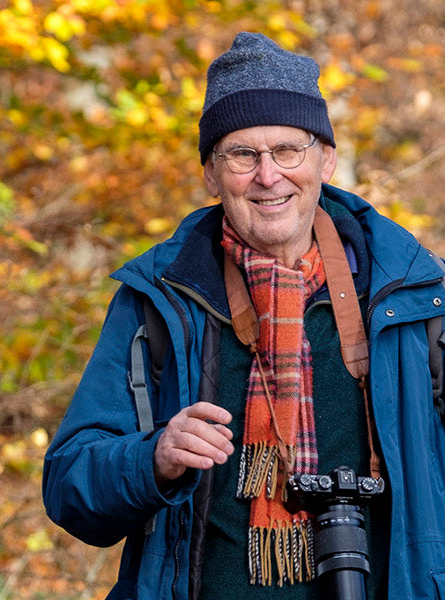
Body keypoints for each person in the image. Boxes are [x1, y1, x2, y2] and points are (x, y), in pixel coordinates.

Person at [42, 32, 445, 600]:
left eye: (288, 150)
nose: (268, 175)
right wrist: (153, 458)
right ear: (211, 174)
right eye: (242, 155)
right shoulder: (162, 300)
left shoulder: (414, 300)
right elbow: (68, 489)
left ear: (325, 159)